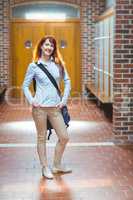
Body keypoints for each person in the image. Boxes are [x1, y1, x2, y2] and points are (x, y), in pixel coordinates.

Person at [22, 35, 72, 179]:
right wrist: (32, 100)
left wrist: (64, 100)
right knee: (41, 137)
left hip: (56, 108)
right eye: (46, 45)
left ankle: (56, 165)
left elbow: (67, 81)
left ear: (53, 48)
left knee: (64, 137)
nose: (49, 47)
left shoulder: (58, 64)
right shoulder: (34, 66)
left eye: (51, 45)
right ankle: (45, 167)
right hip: (40, 109)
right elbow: (25, 85)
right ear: (41, 47)